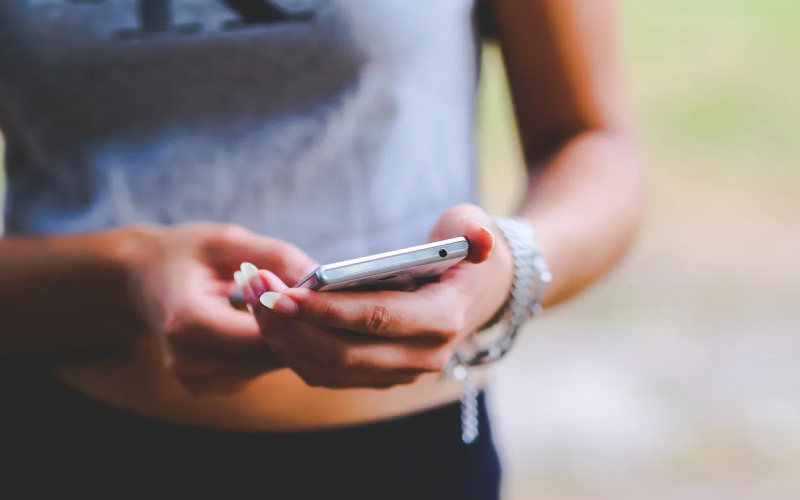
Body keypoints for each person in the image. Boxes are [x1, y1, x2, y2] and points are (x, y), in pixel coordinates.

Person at [0, 0, 643, 498]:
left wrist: (508, 272)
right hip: (65, 439)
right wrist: (123, 277)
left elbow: (591, 141)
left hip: (413, 460)